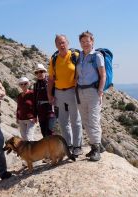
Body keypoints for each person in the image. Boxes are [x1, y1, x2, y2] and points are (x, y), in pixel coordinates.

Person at [47, 34, 83, 156]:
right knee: (63, 121)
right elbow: (51, 79)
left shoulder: (75, 56)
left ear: (67, 43)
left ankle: (77, 146)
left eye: (63, 42)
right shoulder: (54, 59)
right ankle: (68, 145)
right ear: (56, 45)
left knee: (75, 120)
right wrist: (49, 95)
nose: (61, 45)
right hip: (58, 93)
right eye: (58, 43)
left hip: (73, 91)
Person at [76, 31, 106, 161]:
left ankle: (95, 149)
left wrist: (100, 91)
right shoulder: (79, 56)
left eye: (87, 41)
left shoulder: (97, 56)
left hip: (93, 91)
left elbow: (103, 74)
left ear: (92, 41)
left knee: (93, 119)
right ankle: (97, 145)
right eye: (82, 42)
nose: (85, 44)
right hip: (80, 91)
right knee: (85, 120)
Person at [33, 63, 56, 137]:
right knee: (43, 132)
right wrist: (34, 115)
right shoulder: (36, 85)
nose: (39, 74)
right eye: (37, 72)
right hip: (41, 112)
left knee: (50, 131)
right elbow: (35, 101)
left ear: (45, 72)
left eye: (41, 71)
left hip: (50, 110)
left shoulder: (50, 82)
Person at [16, 77, 36, 141]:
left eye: (25, 83)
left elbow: (36, 106)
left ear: (28, 84)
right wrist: (17, 117)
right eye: (21, 84)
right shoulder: (19, 95)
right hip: (21, 119)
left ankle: (33, 150)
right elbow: (18, 107)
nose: (23, 85)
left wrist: (35, 116)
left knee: (29, 137)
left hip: (30, 119)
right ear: (19, 85)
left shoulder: (32, 93)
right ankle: (27, 151)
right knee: (24, 137)